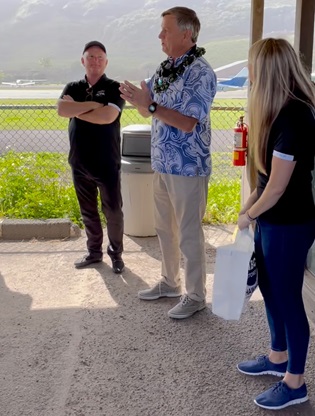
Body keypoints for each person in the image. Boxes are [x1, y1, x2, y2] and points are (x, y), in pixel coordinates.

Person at [119, 7, 217, 319]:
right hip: (162, 162)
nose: (160, 36)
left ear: (186, 34)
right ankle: (169, 282)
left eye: (166, 30)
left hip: (188, 166)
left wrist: (149, 104)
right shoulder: (165, 68)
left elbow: (188, 123)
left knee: (188, 232)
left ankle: (196, 295)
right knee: (164, 227)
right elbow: (150, 111)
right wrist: (141, 101)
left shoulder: (201, 72)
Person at [237, 38, 315, 410]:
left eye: (252, 66)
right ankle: (277, 357)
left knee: (287, 298)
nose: (248, 74)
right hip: (272, 220)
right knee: (270, 290)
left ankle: (295, 382)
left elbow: (280, 187)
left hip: (290, 223)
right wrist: (252, 206)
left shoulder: (296, 116)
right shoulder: (276, 110)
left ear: (266, 71)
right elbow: (266, 181)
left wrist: (248, 213)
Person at [57, 40, 125, 273]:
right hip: (79, 162)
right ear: (83, 60)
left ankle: (116, 254)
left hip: (106, 162)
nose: (95, 61)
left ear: (106, 62)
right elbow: (62, 110)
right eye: (91, 57)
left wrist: (78, 108)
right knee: (88, 211)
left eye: (100, 58)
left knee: (113, 211)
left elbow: (107, 117)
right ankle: (94, 253)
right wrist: (93, 106)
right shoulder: (72, 87)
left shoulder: (115, 88)